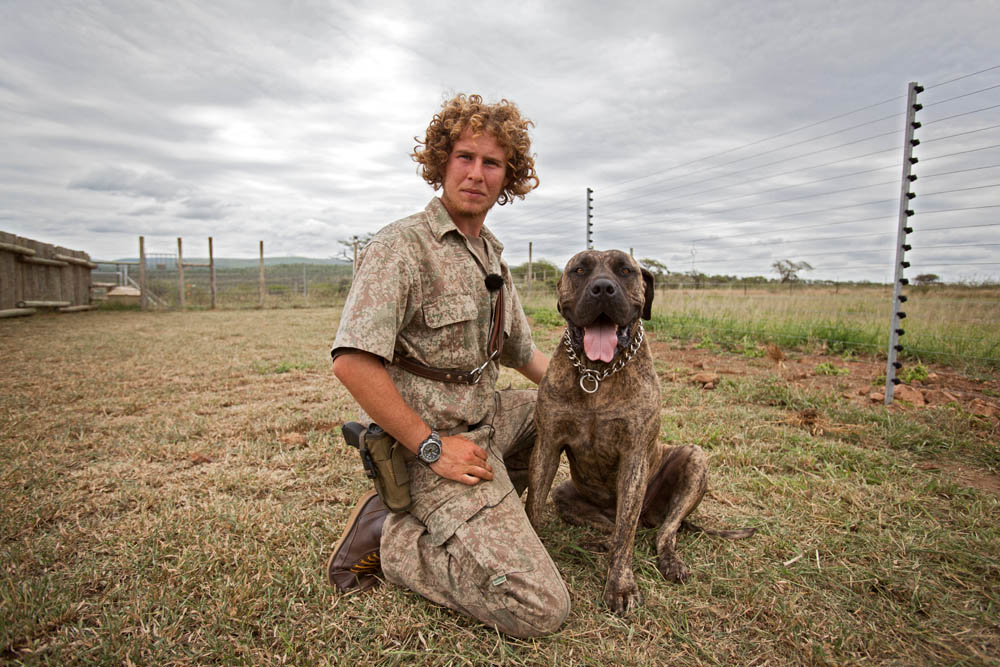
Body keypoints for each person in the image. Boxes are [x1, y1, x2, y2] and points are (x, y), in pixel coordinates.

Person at [326, 94, 570, 638]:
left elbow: (525, 356)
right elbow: (352, 363)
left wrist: (592, 394)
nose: (476, 173)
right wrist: (432, 447)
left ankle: (489, 510)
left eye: (492, 163)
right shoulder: (401, 248)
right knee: (539, 609)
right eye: (465, 157)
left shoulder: (492, 257)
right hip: (430, 446)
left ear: (508, 178)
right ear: (441, 163)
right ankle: (391, 538)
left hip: (488, 423)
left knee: (557, 411)